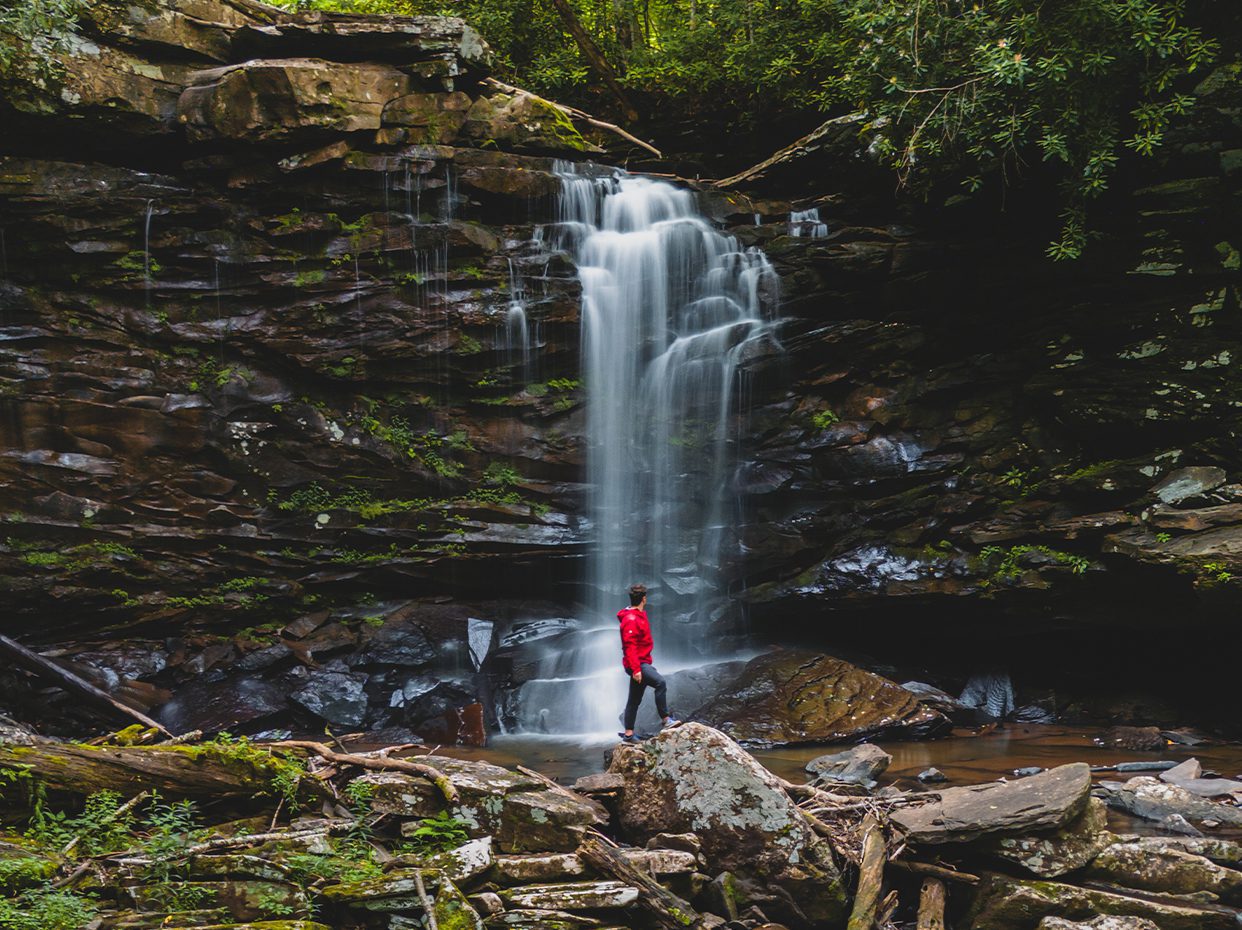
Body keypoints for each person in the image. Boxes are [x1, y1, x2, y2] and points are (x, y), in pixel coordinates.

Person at [617, 583, 680, 742]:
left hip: (642, 662)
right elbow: (629, 646)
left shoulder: (637, 614)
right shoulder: (631, 619)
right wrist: (636, 669)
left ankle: (629, 734)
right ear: (644, 599)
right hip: (637, 663)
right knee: (660, 683)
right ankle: (666, 720)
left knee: (634, 699)